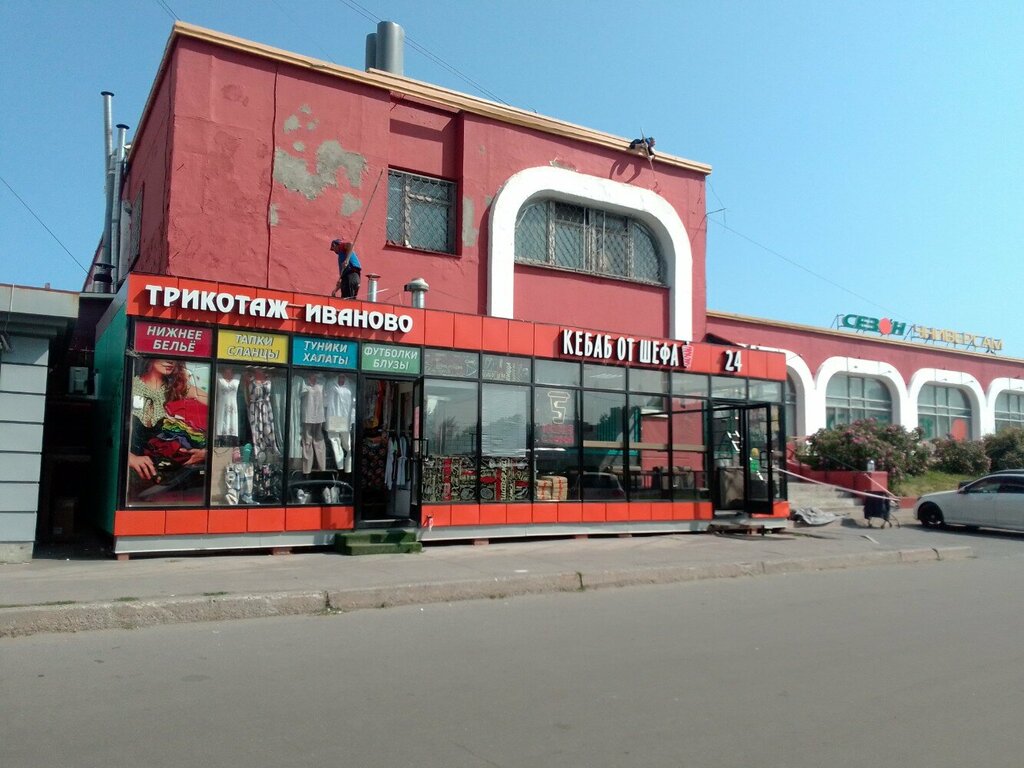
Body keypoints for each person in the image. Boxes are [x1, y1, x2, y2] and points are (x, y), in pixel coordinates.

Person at [127, 359, 209, 498]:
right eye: (163, 356)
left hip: (171, 480)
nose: (170, 361)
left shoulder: (178, 387)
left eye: (175, 358)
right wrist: (129, 457)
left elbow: (219, 407)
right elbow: (106, 429)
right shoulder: (130, 384)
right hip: (130, 480)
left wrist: (207, 452)